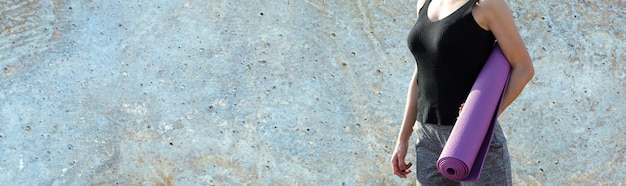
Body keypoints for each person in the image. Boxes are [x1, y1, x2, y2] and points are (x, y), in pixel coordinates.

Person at [390, 0, 534, 185]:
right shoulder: (425, 3)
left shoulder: (486, 5)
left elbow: (524, 68)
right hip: (426, 136)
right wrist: (402, 139)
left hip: (472, 139)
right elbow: (421, 74)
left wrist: (481, 120)